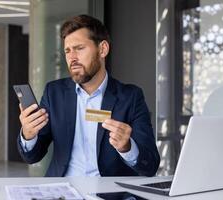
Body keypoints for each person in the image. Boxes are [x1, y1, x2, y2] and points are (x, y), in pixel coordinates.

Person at [17, 15, 160, 177]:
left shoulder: (131, 97)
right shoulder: (54, 92)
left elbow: (151, 165)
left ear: (103, 49)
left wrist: (127, 147)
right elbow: (32, 156)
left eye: (79, 48)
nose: (72, 58)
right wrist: (28, 135)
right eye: (67, 51)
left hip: (109, 194)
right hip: (63, 190)